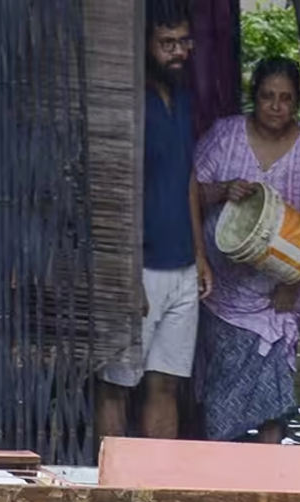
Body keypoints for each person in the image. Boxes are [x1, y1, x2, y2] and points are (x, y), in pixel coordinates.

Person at [189, 57, 300, 444]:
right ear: (254, 97)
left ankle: (269, 474)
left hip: (278, 294)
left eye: (285, 98)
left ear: (297, 102)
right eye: (267, 96)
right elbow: (190, 191)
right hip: (223, 291)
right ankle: (221, 476)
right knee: (222, 396)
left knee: (275, 398)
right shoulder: (226, 135)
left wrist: (294, 283)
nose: (275, 105)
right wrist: (223, 190)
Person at [98, 0, 204, 441]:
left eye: (183, 42)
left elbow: (189, 180)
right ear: (144, 45)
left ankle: (158, 489)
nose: (177, 52)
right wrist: (126, 273)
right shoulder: (126, 104)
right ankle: (112, 492)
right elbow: (108, 192)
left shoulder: (181, 99)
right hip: (136, 269)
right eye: (166, 44)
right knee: (116, 386)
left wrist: (201, 256)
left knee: (166, 384)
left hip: (182, 267)